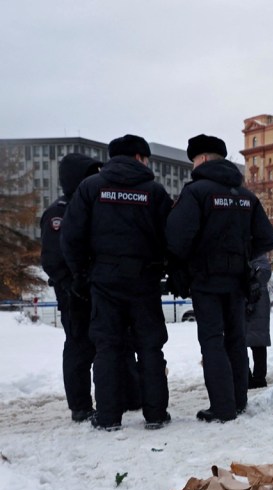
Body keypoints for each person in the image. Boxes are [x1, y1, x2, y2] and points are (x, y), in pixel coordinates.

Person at [60, 135, 173, 431]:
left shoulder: (90, 188)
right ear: (138, 157)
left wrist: (81, 274)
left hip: (104, 279)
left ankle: (109, 417)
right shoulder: (155, 191)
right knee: (150, 347)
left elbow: (71, 237)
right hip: (144, 279)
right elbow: (171, 238)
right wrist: (163, 268)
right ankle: (156, 414)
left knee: (107, 347)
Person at [166, 134, 273, 424]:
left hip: (206, 280)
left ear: (201, 159)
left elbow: (177, 239)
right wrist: (240, 254)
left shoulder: (197, 192)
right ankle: (239, 401)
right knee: (237, 340)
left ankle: (222, 407)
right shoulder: (246, 196)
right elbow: (267, 237)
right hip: (238, 279)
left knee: (212, 341)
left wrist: (190, 262)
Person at [41, 153, 104, 422]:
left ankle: (113, 397)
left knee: (106, 345)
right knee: (79, 348)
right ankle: (79, 405)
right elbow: (52, 258)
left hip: (97, 287)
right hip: (73, 294)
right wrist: (71, 285)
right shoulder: (58, 212)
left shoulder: (93, 204)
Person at [246, 253, 272, 388]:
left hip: (257, 299)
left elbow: (265, 270)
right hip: (243, 297)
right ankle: (246, 377)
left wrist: (253, 280)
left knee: (258, 341)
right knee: (238, 341)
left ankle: (258, 378)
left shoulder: (256, 250)